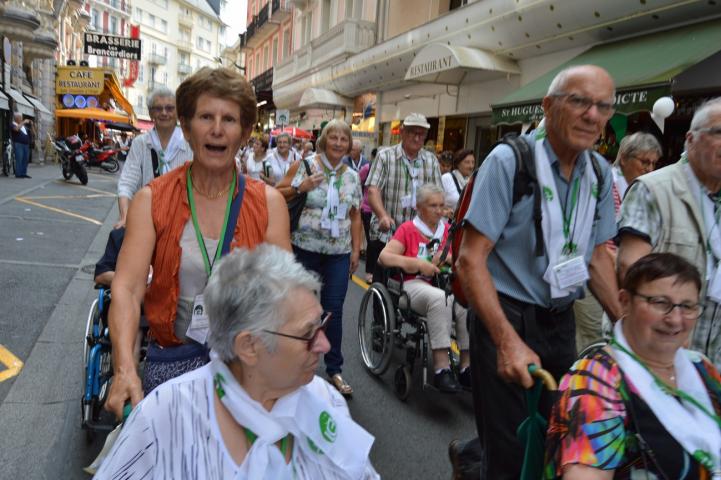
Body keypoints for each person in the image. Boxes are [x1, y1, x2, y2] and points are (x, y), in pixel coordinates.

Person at [453, 65, 621, 479]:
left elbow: (598, 259)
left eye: (603, 106)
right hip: (505, 317)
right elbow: (470, 259)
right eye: (579, 101)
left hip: (560, 322)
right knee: (509, 454)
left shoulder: (599, 173)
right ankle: (478, 461)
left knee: (555, 440)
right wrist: (506, 342)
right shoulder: (509, 161)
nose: (592, 115)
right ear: (548, 106)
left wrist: (629, 326)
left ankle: (471, 460)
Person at [95, 245, 380, 479]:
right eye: (307, 334)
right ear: (249, 347)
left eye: (322, 324)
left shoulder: (326, 400)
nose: (324, 345)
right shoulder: (163, 417)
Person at [104, 67, 291, 419]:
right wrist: (125, 368)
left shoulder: (269, 204)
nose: (217, 129)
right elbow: (127, 288)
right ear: (187, 129)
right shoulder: (151, 200)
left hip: (244, 369)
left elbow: (285, 295)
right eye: (206, 117)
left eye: (229, 119)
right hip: (172, 366)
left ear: (244, 133)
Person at [545, 252, 721, 479]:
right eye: (660, 303)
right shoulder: (595, 380)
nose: (675, 319)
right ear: (625, 301)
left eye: (687, 306)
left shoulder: (700, 366)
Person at [618, 98, 721, 370]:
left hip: (712, 362)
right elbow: (630, 267)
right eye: (718, 133)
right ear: (690, 140)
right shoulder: (653, 189)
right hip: (656, 355)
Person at [276, 119, 362, 396]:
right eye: (333, 137)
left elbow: (355, 215)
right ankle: (297, 364)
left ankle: (334, 368)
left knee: (333, 310)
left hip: (338, 253)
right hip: (305, 249)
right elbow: (276, 193)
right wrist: (300, 187)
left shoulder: (352, 176)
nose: (338, 143)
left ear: (349, 145)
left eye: (344, 139)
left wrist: (356, 249)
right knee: (302, 310)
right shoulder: (305, 165)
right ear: (324, 140)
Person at [572, 132, 662, 352]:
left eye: (653, 163)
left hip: (620, 277)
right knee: (594, 336)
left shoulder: (646, 191)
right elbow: (589, 236)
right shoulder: (603, 182)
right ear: (624, 158)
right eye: (644, 161)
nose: (649, 169)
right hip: (590, 273)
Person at [378, 184, 470, 392]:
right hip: (412, 284)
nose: (439, 210)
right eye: (433, 206)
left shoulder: (448, 231)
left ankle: (466, 367)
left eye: (441, 205)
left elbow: (459, 258)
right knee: (440, 299)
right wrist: (418, 264)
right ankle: (441, 369)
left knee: (465, 302)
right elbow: (384, 257)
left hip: (442, 284)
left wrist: (447, 258)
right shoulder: (408, 229)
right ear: (419, 207)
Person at [366, 112, 442, 281]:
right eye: (412, 132)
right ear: (402, 132)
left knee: (419, 284)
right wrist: (382, 215)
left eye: (421, 134)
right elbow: (373, 190)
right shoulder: (385, 156)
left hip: (419, 237)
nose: (417, 138)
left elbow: (438, 195)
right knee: (385, 283)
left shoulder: (431, 161)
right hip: (389, 233)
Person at [115, 86, 193, 229]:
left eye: (169, 108)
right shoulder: (140, 143)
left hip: (183, 221)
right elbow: (127, 182)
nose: (164, 113)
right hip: (148, 219)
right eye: (158, 108)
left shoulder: (190, 143)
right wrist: (125, 216)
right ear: (151, 114)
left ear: (177, 113)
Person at [441, 148, 475, 213]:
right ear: (458, 164)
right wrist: (444, 212)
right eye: (467, 162)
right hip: (446, 219)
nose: (471, 166)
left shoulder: (472, 182)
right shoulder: (446, 178)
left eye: (473, 162)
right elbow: (433, 202)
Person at [10, 113, 31, 178]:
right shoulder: (13, 124)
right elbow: (16, 129)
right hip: (18, 144)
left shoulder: (23, 126)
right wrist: (23, 122)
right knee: (19, 159)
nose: (22, 119)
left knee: (25, 159)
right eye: (20, 118)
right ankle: (18, 174)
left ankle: (23, 173)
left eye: (21, 118)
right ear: (16, 118)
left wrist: (32, 125)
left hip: (26, 144)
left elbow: (32, 133)